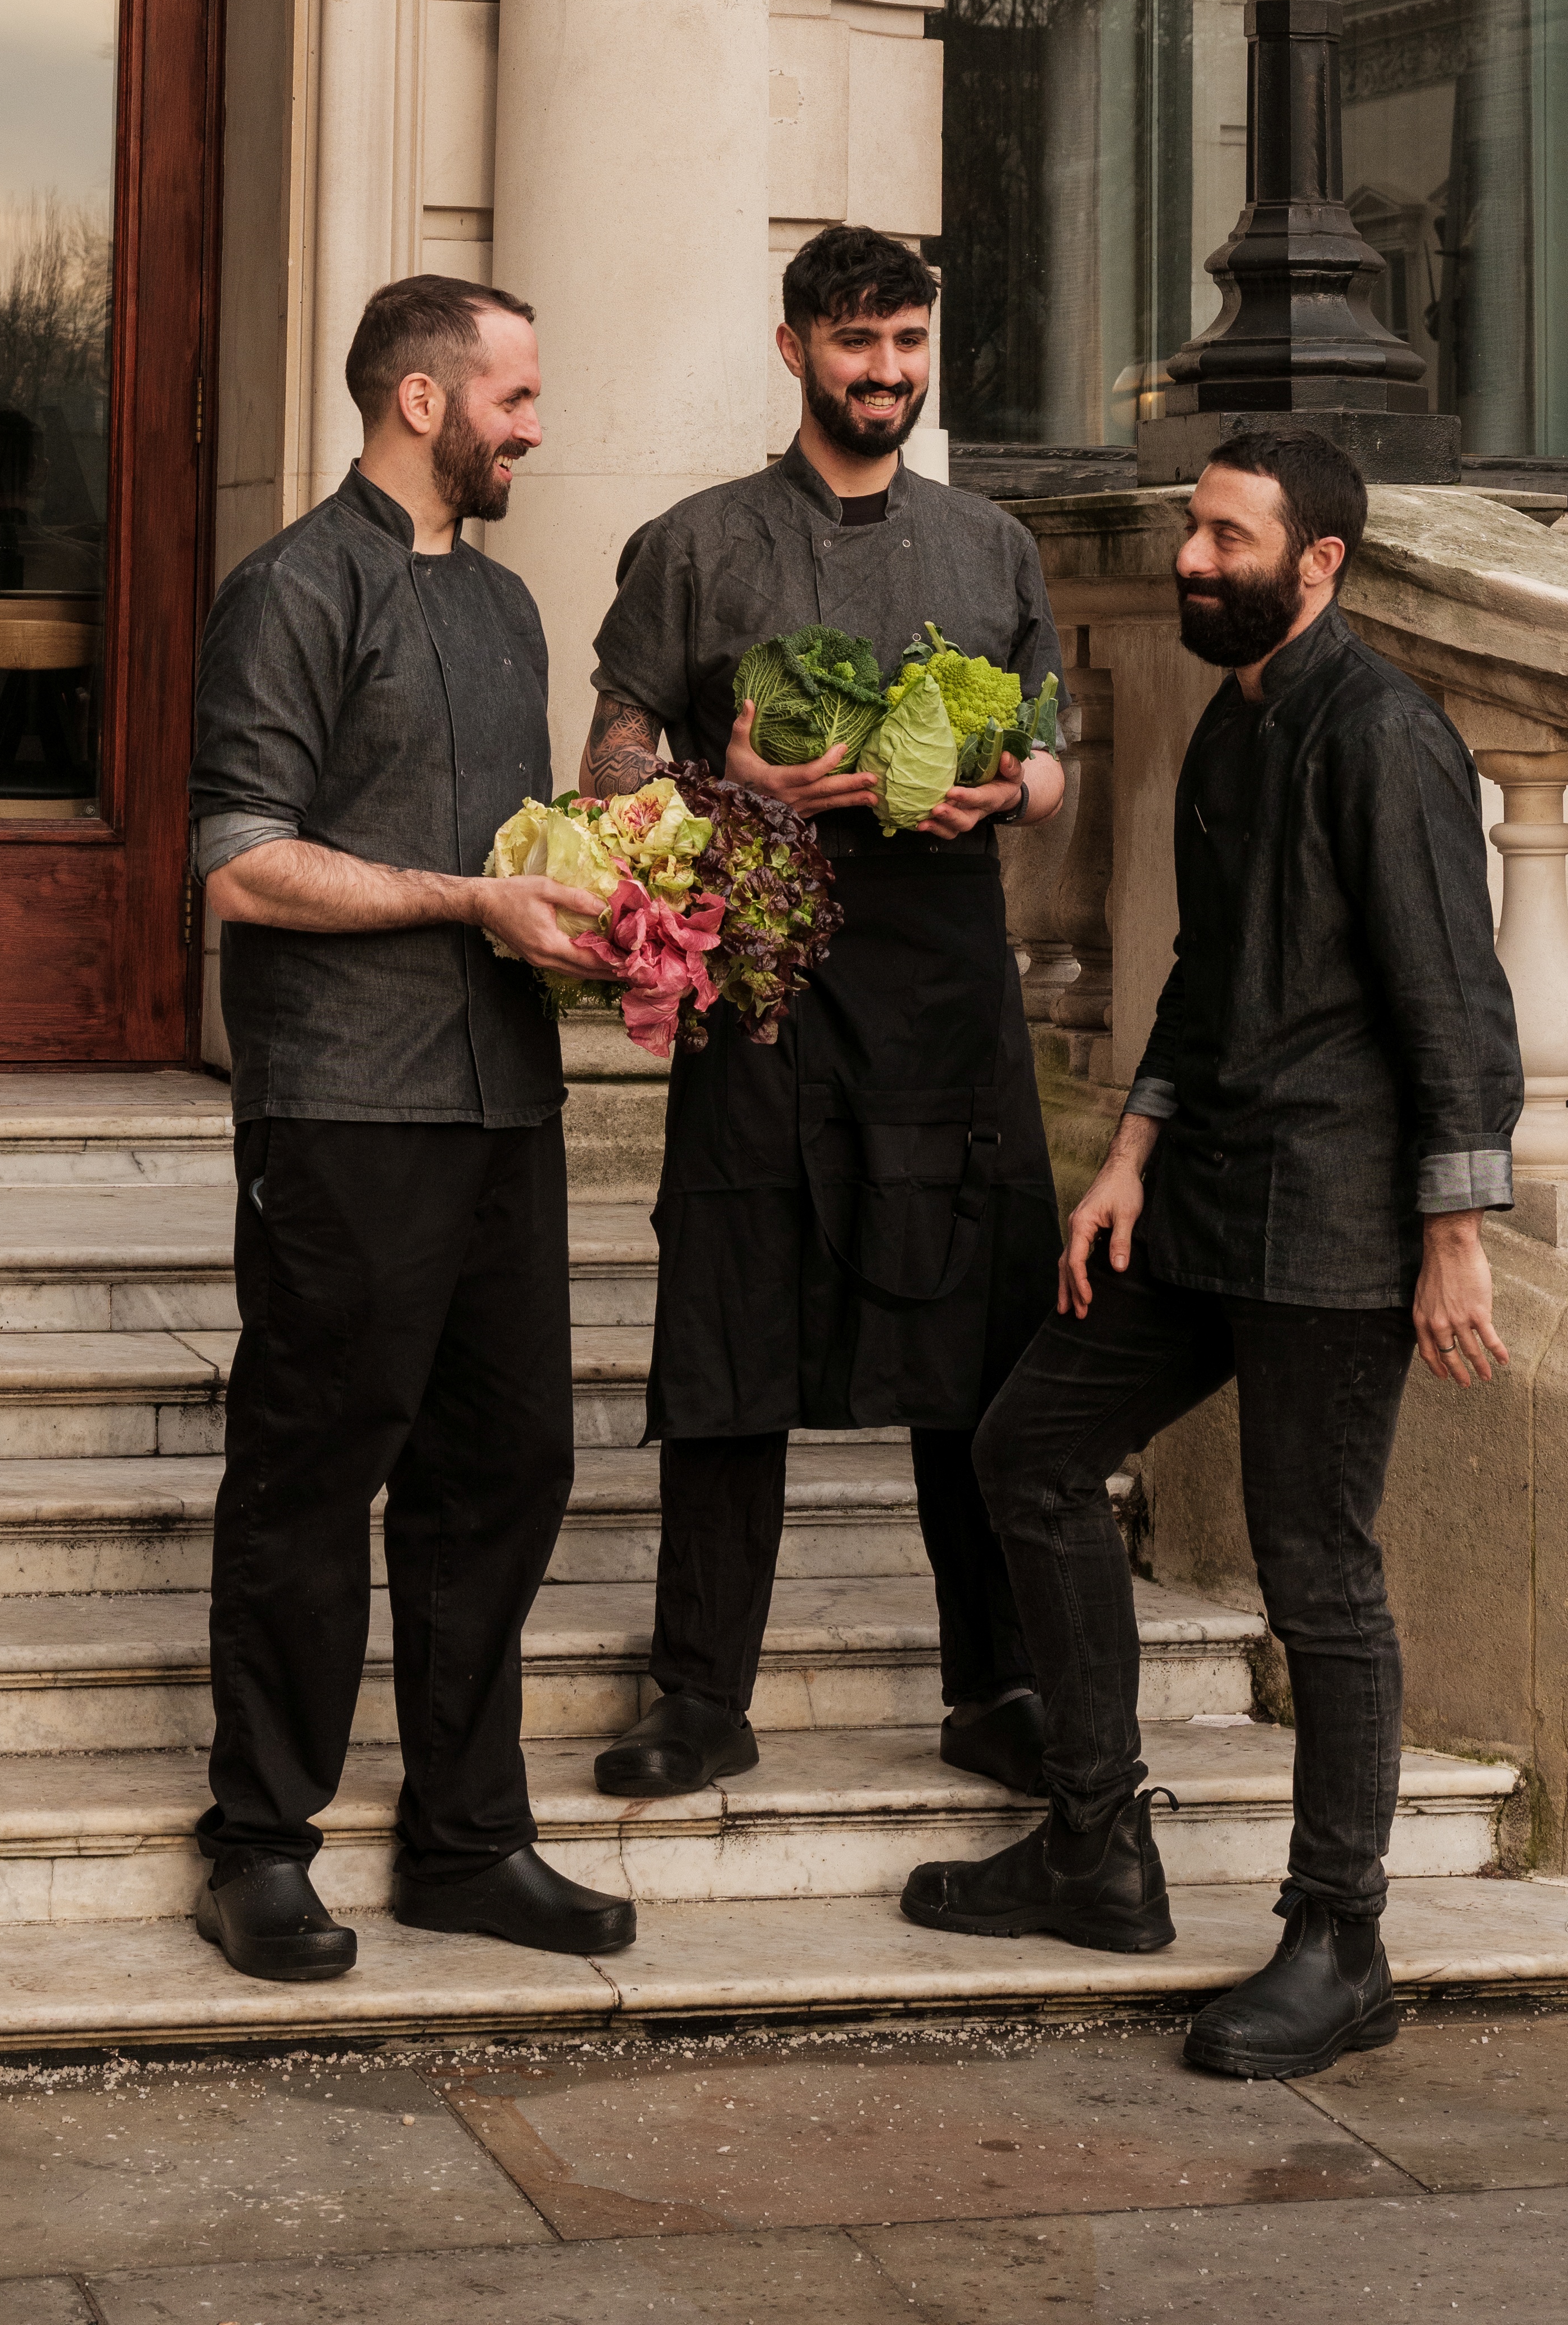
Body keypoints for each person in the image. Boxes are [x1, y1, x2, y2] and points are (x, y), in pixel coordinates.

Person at [899, 420, 1519, 2079]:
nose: (1191, 556)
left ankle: (1342, 1941)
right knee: (1027, 1450)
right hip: (1203, 1199)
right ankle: (1099, 1844)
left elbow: (1455, 999)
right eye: (1195, 528)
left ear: (1318, 562)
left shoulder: (1386, 738)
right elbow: (1203, 977)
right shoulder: (1238, 730)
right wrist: (1129, 1160)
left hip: (1334, 1221)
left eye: (1228, 538)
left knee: (1317, 1572)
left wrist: (1455, 1234)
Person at [184, 274, 638, 1986]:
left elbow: (513, 852)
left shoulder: (513, 612)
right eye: (515, 396)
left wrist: (617, 907)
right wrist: (471, 899)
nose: (536, 424)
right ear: (426, 402)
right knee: (313, 1475)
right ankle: (259, 1843)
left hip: (504, 1099)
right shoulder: (293, 588)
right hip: (346, 1109)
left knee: (506, 1469)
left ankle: (466, 1839)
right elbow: (240, 857)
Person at [582, 225, 1071, 1811]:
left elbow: (1056, 765)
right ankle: (700, 1694)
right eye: (859, 345)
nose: (888, 374)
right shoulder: (698, 544)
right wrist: (729, 787)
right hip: (769, 987)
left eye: (911, 345)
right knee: (732, 1328)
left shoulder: (992, 547)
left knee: (988, 1345)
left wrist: (1007, 786)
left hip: (950, 992)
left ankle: (996, 1685)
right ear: (792, 348)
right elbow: (608, 756)